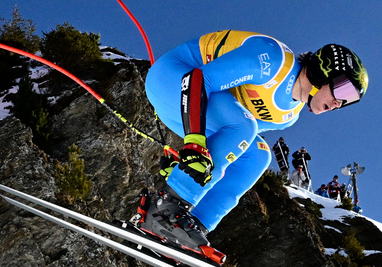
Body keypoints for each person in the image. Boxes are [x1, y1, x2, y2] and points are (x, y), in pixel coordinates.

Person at [138, 33, 367, 252]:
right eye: (344, 90)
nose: (340, 103)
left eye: (350, 101)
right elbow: (199, 79)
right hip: (173, 78)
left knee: (257, 155)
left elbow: (231, 135)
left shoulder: (288, 115)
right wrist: (194, 143)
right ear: (322, 71)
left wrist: (187, 161)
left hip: (189, 107)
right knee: (245, 126)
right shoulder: (273, 60)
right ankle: (166, 208)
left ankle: (193, 224)